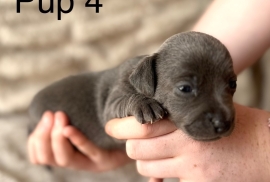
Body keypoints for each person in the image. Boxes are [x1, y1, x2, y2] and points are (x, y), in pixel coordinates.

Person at [28, 0, 270, 181]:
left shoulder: (159, 75)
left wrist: (262, 146)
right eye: (186, 88)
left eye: (230, 85)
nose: (222, 116)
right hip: (50, 111)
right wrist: (136, 108)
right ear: (149, 80)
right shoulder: (133, 79)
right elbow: (111, 111)